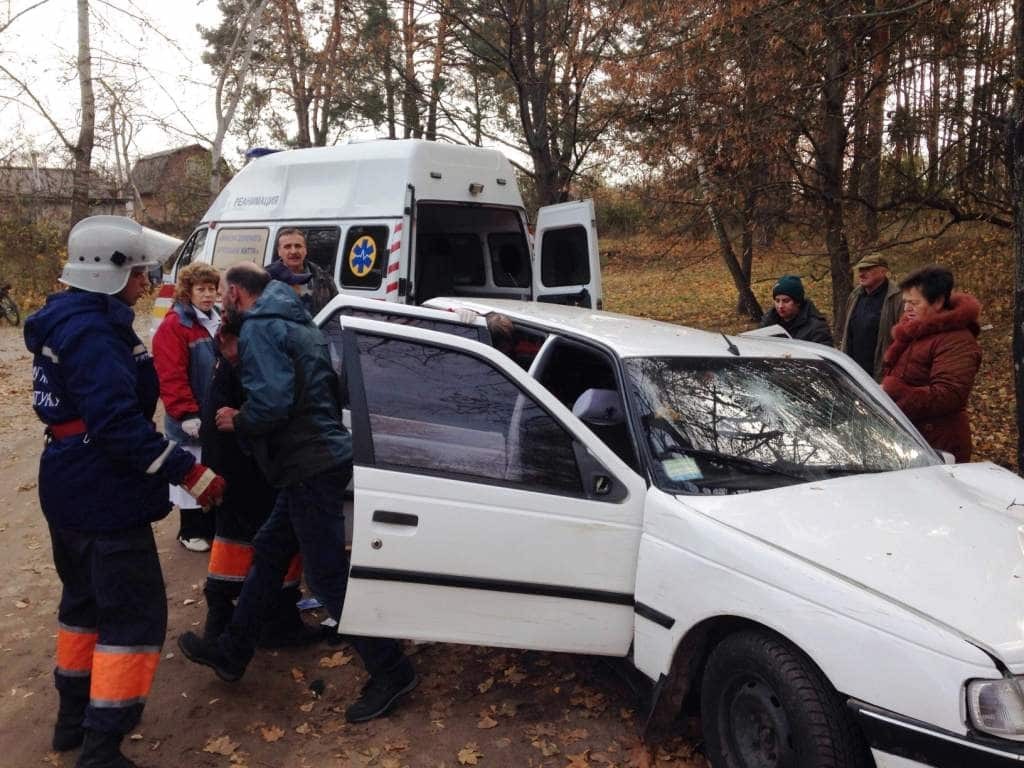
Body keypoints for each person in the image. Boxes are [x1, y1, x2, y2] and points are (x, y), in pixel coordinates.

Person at [23, 215, 225, 768]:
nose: (146, 281)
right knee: (131, 620)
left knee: (83, 607)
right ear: (109, 272)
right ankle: (102, 744)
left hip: (71, 482)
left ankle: (72, 721)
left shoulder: (71, 318)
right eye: (140, 272)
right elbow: (115, 423)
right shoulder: (92, 331)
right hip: (102, 492)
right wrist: (190, 472)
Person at [177, 262, 417, 723]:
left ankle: (392, 670)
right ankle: (232, 651)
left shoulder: (262, 328)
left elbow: (272, 402)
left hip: (309, 463)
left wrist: (237, 419)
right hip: (310, 460)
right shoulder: (298, 320)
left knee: (326, 578)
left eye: (224, 292)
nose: (222, 300)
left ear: (236, 293)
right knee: (268, 549)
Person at [198, 319, 318, 648]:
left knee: (269, 545)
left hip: (255, 467)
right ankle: (221, 625)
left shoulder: (238, 360)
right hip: (241, 470)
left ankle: (277, 622)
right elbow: (264, 412)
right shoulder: (233, 366)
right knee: (239, 544)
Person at [152, 263, 221, 552]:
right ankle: (189, 530)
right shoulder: (175, 326)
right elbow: (171, 375)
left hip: (213, 414)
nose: (207, 295)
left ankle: (211, 527)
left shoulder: (216, 319)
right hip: (190, 416)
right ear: (187, 291)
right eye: (201, 289)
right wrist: (186, 414)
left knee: (212, 470)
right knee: (191, 473)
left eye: (211, 289)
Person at [881, 265, 982, 463]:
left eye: (914, 303)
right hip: (914, 438)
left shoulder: (956, 340)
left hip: (940, 444)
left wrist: (893, 390)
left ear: (937, 302)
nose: (907, 309)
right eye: (905, 303)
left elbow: (948, 395)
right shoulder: (915, 332)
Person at [838, 253, 903, 381]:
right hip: (854, 372)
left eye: (868, 269)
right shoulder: (855, 295)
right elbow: (847, 334)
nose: (862, 274)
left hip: (882, 375)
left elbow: (902, 338)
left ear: (883, 271)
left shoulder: (897, 297)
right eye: (860, 270)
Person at [267, 227, 337, 315]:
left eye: (298, 246)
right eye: (287, 247)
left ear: (305, 250)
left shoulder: (323, 279)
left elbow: (335, 315)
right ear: (279, 252)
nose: (293, 251)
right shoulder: (266, 279)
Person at [760, 274, 834, 346]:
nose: (780, 306)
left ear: (798, 302)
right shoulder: (768, 323)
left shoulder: (816, 328)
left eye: (786, 301)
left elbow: (824, 355)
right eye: (777, 301)